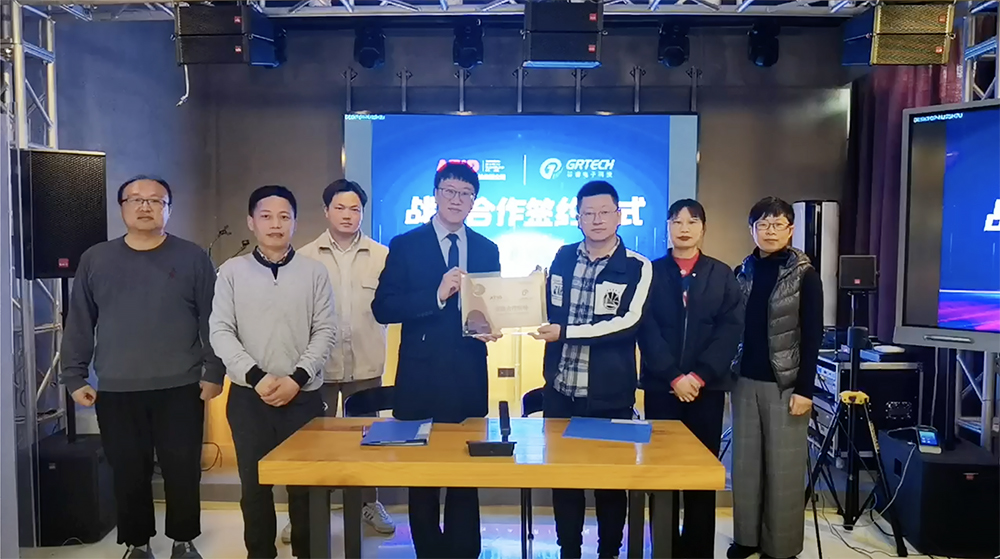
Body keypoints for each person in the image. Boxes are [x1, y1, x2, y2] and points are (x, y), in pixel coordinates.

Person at [60, 175, 224, 559]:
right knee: (128, 471)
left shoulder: (193, 257)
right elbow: (79, 319)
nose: (145, 206)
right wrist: (74, 375)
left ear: (169, 209)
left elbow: (213, 319)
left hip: (181, 385)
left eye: (155, 200)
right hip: (117, 386)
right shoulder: (96, 259)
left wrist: (215, 370)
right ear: (122, 207)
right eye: (135, 199)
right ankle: (137, 544)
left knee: (183, 469)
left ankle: (183, 541)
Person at [371, 162, 501, 559]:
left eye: (466, 193)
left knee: (465, 472)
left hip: (468, 377)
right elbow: (383, 307)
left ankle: (465, 550)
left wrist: (493, 325)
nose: (457, 199)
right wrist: (436, 294)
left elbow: (489, 307)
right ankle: (428, 550)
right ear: (436, 194)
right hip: (420, 379)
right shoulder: (405, 244)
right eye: (450, 191)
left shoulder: (487, 248)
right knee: (422, 477)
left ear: (474, 201)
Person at [209, 185, 335, 559]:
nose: (275, 224)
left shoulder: (314, 272)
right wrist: (257, 377)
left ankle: (308, 553)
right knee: (254, 487)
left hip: (303, 397)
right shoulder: (231, 271)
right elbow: (220, 331)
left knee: (305, 487)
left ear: (295, 222)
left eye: (284, 217)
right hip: (250, 398)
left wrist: (297, 379)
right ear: (251, 222)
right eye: (266, 216)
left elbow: (325, 330)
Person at [531, 181, 653, 559]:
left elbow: (627, 324)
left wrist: (566, 332)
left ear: (619, 215)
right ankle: (568, 549)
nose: (597, 220)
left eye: (604, 212)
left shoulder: (637, 266)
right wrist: (524, 297)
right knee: (564, 480)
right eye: (588, 213)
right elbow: (547, 308)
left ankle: (608, 552)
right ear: (578, 218)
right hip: (561, 391)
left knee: (610, 484)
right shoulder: (563, 256)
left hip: (609, 395)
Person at [638, 199, 744, 559]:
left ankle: (698, 550)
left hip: (706, 390)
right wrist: (672, 376)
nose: (684, 228)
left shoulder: (721, 274)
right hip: (662, 388)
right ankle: (664, 548)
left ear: (703, 228)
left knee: (701, 474)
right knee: (662, 472)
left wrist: (698, 376)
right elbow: (646, 329)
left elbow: (730, 329)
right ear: (668, 227)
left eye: (692, 221)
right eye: (677, 221)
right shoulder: (651, 272)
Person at [295, 179, 394, 538]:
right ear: (326, 211)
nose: (348, 215)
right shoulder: (304, 256)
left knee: (368, 439)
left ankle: (369, 502)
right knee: (314, 441)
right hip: (318, 368)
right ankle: (307, 509)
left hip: (365, 364)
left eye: (355, 209)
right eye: (340, 208)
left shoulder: (383, 256)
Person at [728, 197, 823, 559]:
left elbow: (813, 335)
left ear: (790, 229)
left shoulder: (805, 275)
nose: (770, 231)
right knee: (745, 467)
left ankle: (780, 548)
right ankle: (746, 539)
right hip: (744, 381)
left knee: (783, 470)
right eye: (762, 225)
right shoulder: (742, 271)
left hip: (786, 385)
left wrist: (805, 390)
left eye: (777, 224)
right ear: (751, 230)